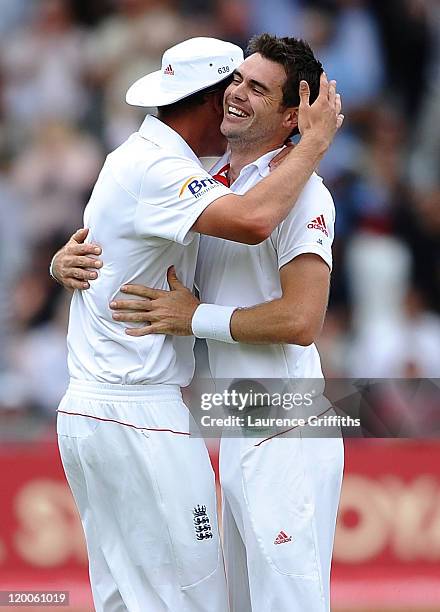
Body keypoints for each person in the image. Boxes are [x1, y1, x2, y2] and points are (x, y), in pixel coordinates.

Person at [52, 36, 343, 612]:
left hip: (284, 419)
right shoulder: (209, 185)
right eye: (235, 81)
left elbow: (303, 319)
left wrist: (194, 318)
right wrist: (66, 262)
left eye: (255, 87)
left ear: (293, 113)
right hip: (227, 419)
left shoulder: (305, 192)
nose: (236, 93)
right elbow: (135, 239)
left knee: (285, 601)